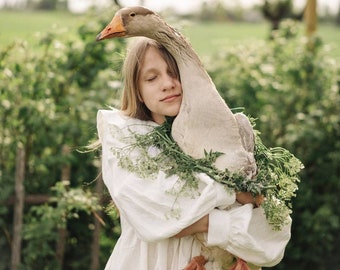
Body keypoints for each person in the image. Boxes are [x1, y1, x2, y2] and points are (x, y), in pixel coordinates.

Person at [97, 37, 291, 270]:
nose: (168, 84)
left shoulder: (226, 134)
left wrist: (205, 222)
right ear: (137, 90)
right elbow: (160, 213)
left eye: (175, 73)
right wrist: (237, 195)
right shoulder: (127, 138)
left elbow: (274, 233)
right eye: (152, 78)